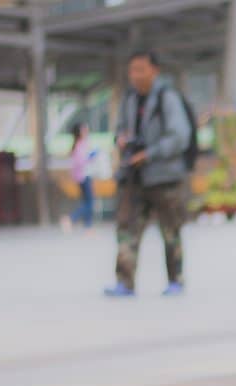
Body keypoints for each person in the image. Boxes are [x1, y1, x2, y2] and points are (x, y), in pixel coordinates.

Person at [104, 50, 192, 297]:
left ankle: (176, 279)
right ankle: (125, 281)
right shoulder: (129, 99)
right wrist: (121, 140)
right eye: (132, 70)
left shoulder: (168, 98)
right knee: (127, 229)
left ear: (155, 70)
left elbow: (180, 136)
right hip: (134, 177)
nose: (135, 75)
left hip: (164, 177)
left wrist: (150, 153)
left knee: (170, 231)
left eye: (140, 69)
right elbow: (119, 129)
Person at [60, 122, 96, 233]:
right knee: (89, 203)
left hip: (80, 177)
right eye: (84, 129)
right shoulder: (81, 145)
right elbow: (81, 161)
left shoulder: (78, 144)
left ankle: (88, 226)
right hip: (84, 176)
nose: (86, 131)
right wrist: (92, 156)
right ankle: (71, 218)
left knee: (87, 201)